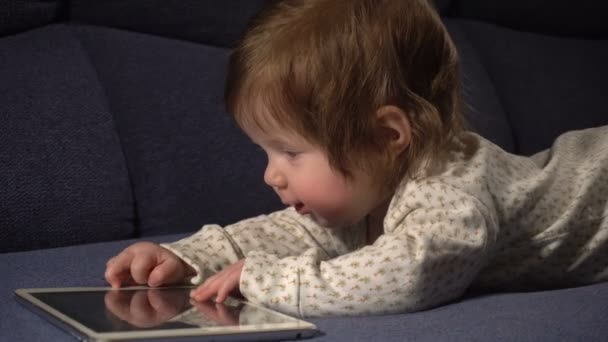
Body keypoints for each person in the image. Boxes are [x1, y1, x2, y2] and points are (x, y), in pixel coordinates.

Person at [104, 0, 608, 317]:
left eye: (291, 152)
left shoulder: (451, 198)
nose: (271, 173)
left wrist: (267, 280)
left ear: (387, 134)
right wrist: (190, 256)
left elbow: (406, 276)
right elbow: (295, 232)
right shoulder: (375, 185)